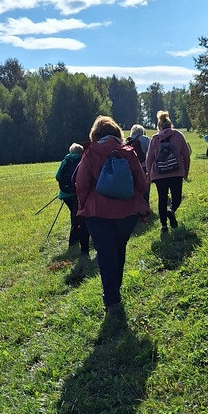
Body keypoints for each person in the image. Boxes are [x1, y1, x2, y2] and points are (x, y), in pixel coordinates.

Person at [75, 116, 149, 313]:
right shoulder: (128, 152)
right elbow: (142, 183)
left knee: (106, 254)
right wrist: (136, 200)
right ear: (117, 133)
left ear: (95, 135)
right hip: (126, 213)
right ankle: (115, 292)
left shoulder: (90, 153)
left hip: (97, 213)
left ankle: (112, 300)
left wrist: (83, 207)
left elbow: (81, 184)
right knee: (119, 250)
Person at [146, 110, 191, 234]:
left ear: (159, 126)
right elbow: (186, 155)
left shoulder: (155, 138)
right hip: (176, 172)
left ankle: (164, 226)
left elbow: (149, 158)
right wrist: (186, 171)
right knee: (176, 198)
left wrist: (149, 174)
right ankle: (171, 212)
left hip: (159, 174)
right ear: (170, 124)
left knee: (162, 199)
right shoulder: (178, 135)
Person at [55, 142, 90, 255]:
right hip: (76, 193)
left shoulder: (65, 160)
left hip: (65, 194)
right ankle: (74, 242)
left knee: (74, 216)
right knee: (77, 218)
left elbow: (57, 176)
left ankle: (74, 241)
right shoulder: (81, 160)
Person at [126, 124, 151, 205]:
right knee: (145, 187)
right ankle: (145, 205)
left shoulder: (127, 140)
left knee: (134, 187)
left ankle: (135, 206)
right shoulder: (145, 139)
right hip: (144, 167)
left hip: (131, 168)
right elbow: (151, 152)